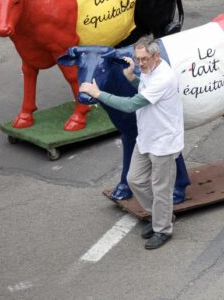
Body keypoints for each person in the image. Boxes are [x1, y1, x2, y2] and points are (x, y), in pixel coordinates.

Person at [79, 36, 184, 249]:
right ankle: (160, 216)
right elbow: (143, 91)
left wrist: (97, 93)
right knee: (134, 179)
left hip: (163, 141)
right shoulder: (148, 71)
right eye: (137, 59)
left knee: (161, 187)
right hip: (147, 136)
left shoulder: (163, 77)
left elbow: (131, 105)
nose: (140, 63)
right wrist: (131, 78)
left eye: (144, 59)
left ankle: (163, 229)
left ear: (156, 56)